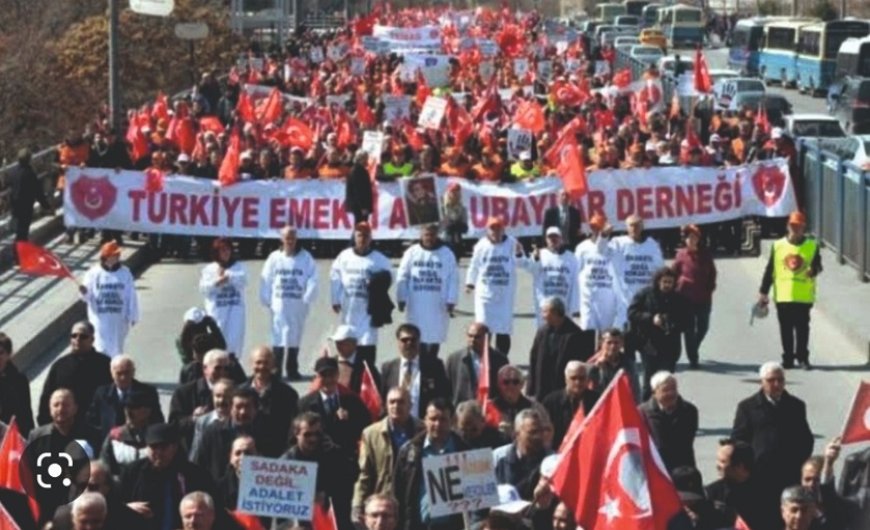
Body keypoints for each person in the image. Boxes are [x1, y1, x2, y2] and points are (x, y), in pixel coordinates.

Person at [732, 362, 814, 518]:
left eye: (780, 380)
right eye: (771, 380)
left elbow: (806, 440)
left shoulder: (796, 406)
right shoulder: (747, 407)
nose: (776, 384)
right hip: (759, 477)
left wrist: (798, 462)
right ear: (762, 382)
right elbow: (738, 441)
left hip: (789, 475)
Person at [119, 423, 217, 530]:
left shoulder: (194, 474)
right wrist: (127, 508)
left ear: (174, 447)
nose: (159, 452)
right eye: (154, 447)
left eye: (163, 447)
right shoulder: (133, 472)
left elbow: (212, 507)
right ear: (146, 448)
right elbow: (115, 504)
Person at [27, 389, 102, 524]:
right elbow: (29, 473)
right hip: (46, 507)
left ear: (75, 408)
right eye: (56, 405)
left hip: (82, 507)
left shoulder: (93, 435)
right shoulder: (36, 436)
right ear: (50, 409)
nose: (61, 409)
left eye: (66, 405)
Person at [758, 211, 822, 369]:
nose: (796, 229)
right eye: (793, 226)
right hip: (783, 295)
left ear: (803, 227)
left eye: (799, 226)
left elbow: (818, 266)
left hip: (803, 295)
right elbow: (770, 269)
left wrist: (812, 271)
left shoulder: (811, 246)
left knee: (802, 328)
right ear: (788, 226)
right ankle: (788, 358)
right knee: (785, 328)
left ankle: (802, 358)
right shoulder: (778, 246)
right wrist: (763, 291)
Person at [393, 399, 469, 530]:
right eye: (433, 419)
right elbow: (397, 492)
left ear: (453, 421)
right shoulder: (409, 451)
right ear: (425, 420)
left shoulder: (465, 451)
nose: (438, 424)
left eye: (443, 419)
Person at [352, 387, 424, 523]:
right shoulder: (371, 434)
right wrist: (357, 504)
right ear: (386, 405)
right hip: (385, 504)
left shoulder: (423, 431)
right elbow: (365, 474)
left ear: (410, 405)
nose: (396, 406)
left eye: (401, 402)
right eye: (392, 402)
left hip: (414, 503)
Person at [259, 225, 317, 380]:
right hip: (279, 303)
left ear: (296, 238)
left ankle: (292, 368)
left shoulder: (305, 258)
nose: (290, 240)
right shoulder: (274, 258)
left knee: (294, 336)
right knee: (278, 335)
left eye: (292, 237)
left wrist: (308, 294)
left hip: (297, 303)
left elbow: (313, 278)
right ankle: (276, 369)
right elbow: (266, 278)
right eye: (287, 237)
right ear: (281, 239)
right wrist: (266, 297)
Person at [330, 222, 392, 367]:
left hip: (369, 310)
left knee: (367, 345)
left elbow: (390, 277)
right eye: (359, 235)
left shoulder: (379, 259)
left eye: (366, 236)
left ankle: (367, 380)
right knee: (348, 345)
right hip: (349, 308)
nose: (362, 239)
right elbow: (335, 275)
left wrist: (378, 283)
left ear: (370, 238)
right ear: (354, 236)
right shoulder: (344, 256)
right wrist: (335, 298)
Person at [283, 412, 358, 530]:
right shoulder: (286, 462)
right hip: (300, 522)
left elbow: (351, 477)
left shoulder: (332, 453)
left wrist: (337, 453)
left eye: (317, 434)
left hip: (333, 518)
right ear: (296, 434)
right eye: (307, 435)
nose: (313, 439)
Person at [397, 224, 459, 357]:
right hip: (416, 302)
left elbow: (453, 278)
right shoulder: (412, 252)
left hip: (438, 303)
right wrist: (401, 297)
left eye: (432, 235)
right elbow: (403, 275)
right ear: (421, 235)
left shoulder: (446, 253)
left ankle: (432, 362)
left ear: (437, 235)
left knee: (435, 335)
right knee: (416, 335)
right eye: (426, 235)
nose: (429, 238)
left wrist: (451, 299)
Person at [465, 216, 525, 354]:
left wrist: (519, 254)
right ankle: (484, 357)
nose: (495, 232)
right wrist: (470, 283)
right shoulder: (481, 245)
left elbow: (522, 263)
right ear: (487, 230)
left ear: (503, 229)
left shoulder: (512, 243)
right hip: (485, 295)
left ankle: (501, 358)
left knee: (503, 330)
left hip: (504, 295)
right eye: (492, 228)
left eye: (498, 228)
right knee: (484, 327)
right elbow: (474, 265)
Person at [628, 267, 690, 399]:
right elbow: (632, 313)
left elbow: (687, 321)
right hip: (649, 344)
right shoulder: (645, 294)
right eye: (664, 282)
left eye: (670, 282)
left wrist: (673, 324)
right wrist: (651, 318)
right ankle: (644, 410)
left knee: (665, 380)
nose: (667, 285)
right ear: (658, 281)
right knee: (649, 381)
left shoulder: (679, 299)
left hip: (670, 345)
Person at [194, 387, 280, 481]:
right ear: (230, 408)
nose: (243, 412)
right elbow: (199, 465)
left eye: (248, 407)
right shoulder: (213, 433)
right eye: (238, 407)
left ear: (256, 408)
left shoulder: (268, 433)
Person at [37, 321, 112, 425]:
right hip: (64, 427)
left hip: (95, 428)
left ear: (92, 339)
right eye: (74, 336)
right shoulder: (60, 366)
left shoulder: (105, 364)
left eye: (83, 336)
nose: (77, 339)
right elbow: (46, 398)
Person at [297, 357, 371, 459]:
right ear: (317, 377)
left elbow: (366, 430)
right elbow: (294, 436)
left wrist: (350, 420)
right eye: (323, 375)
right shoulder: (304, 404)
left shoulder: (352, 401)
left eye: (331, 375)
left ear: (338, 375)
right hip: (315, 462)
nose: (328, 379)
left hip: (344, 461)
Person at [79, 241, 139, 358]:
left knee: (117, 349)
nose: (117, 257)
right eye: (114, 255)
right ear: (106, 257)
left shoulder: (125, 272)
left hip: (119, 319)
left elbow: (131, 295)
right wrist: (84, 292)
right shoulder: (93, 273)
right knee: (100, 348)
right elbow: (87, 296)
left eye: (117, 255)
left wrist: (132, 315)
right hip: (100, 319)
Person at [379, 323, 451, 419]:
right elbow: (382, 398)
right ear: (398, 342)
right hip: (395, 423)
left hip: (423, 424)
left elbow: (443, 396)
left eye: (413, 340)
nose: (409, 343)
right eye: (404, 340)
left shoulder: (434, 366)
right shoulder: (388, 368)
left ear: (419, 341)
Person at [52, 461, 148, 530]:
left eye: (92, 487)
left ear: (107, 488)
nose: (85, 492)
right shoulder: (63, 518)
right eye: (81, 486)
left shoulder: (128, 519)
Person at [705, 438, 776, 530]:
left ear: (740, 467)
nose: (717, 465)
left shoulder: (765, 494)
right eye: (718, 460)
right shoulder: (711, 493)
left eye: (722, 461)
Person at [672, 224, 717, 369]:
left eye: (694, 237)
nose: (691, 240)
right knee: (689, 329)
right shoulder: (681, 255)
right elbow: (673, 273)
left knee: (703, 327)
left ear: (698, 239)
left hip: (703, 297)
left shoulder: (706, 255)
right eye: (688, 238)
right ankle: (693, 358)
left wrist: (710, 286)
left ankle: (693, 346)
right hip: (685, 298)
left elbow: (712, 272)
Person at [87, 355, 162, 441]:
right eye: (119, 373)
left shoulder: (148, 392)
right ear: (112, 374)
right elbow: (92, 420)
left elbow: (157, 420)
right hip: (110, 442)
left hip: (139, 441)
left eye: (127, 373)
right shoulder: (102, 393)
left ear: (133, 372)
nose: (123, 377)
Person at [527, 297, 588, 402]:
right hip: (542, 390)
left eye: (545, 312)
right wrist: (530, 390)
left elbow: (581, 364)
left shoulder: (575, 335)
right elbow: (534, 360)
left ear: (555, 312)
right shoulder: (542, 332)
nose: (543, 316)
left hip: (562, 392)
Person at [575, 214, 624, 340]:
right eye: (593, 226)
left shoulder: (613, 246)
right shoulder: (582, 247)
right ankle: (589, 359)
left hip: (607, 295)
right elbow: (576, 271)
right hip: (588, 295)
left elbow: (602, 250)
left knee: (606, 333)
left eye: (599, 226)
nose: (596, 230)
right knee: (587, 331)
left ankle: (604, 358)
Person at [638, 371, 698, 472]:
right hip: (654, 470)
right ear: (654, 392)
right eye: (665, 390)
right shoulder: (642, 413)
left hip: (683, 469)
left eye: (674, 389)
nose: (671, 393)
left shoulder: (689, 411)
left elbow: (687, 441)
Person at [239, 346, 298, 446]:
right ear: (251, 363)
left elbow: (294, 426)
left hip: (276, 451)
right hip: (247, 449)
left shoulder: (288, 394)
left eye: (266, 363)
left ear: (273, 365)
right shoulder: (239, 392)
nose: (262, 367)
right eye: (258, 362)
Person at [200, 238, 247, 361]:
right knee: (217, 339)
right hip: (217, 311)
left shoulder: (238, 267)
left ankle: (233, 367)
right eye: (222, 250)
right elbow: (204, 288)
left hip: (235, 309)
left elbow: (244, 280)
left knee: (234, 338)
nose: (226, 253)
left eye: (228, 250)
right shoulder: (209, 269)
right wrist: (217, 282)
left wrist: (229, 277)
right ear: (217, 253)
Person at [521, 227, 578, 328]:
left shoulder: (571, 257)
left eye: (556, 237)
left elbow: (575, 282)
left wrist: (573, 306)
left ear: (561, 239)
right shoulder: (540, 254)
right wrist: (536, 258)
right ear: (546, 239)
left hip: (564, 303)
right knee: (544, 333)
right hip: (544, 303)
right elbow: (531, 269)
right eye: (550, 237)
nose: (553, 240)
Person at [170, 349, 231, 440]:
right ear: (205, 369)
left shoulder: (235, 391)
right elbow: (173, 427)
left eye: (226, 369)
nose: (222, 373)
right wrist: (193, 419)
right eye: (217, 368)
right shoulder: (184, 393)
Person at [494, 409, 553, 500]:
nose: (539, 436)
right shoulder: (497, 458)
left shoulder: (552, 461)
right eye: (533, 432)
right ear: (516, 434)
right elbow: (479, 503)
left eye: (541, 431)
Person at [445, 322, 508, 404]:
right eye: (470, 336)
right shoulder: (454, 359)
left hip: (491, 409)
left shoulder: (500, 360)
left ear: (488, 338)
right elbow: (446, 388)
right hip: (463, 410)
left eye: (477, 337)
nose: (473, 340)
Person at [541, 361, 600, 449]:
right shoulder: (551, 402)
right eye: (573, 378)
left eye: (581, 378)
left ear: (587, 379)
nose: (578, 382)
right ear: (566, 379)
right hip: (558, 451)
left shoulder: (597, 400)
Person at [100, 389, 159, 477]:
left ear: (147, 410)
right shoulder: (115, 436)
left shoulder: (158, 436)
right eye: (126, 407)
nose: (128, 412)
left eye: (134, 407)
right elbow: (105, 466)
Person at [9, 147, 51, 245]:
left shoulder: (13, 172)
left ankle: (18, 248)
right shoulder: (30, 174)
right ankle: (19, 251)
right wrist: (46, 206)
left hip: (15, 203)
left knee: (19, 228)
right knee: (23, 231)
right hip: (26, 205)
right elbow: (38, 191)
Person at [586, 328, 640, 400]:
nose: (613, 346)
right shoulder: (592, 362)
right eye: (609, 343)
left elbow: (635, 390)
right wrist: (595, 368)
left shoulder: (628, 363)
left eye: (616, 343)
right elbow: (585, 386)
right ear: (601, 343)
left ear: (622, 344)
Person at [329, 325, 382, 394]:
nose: (338, 346)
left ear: (354, 343)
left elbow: (374, 391)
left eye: (343, 343)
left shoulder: (366, 366)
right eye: (337, 343)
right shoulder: (330, 363)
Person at [0, 332, 34, 436]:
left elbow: (26, 415)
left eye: (0, 352)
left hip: (12, 439)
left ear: (9, 354)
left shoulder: (19, 380)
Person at [216, 435, 256, 510]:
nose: (243, 457)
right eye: (238, 453)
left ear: (257, 456)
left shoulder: (271, 486)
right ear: (231, 458)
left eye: (248, 453)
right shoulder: (219, 488)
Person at [439, 182, 468, 260]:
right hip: (442, 239)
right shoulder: (441, 206)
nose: (455, 194)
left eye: (457, 191)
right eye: (453, 191)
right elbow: (440, 224)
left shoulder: (462, 208)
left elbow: (465, 227)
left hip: (456, 239)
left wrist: (457, 225)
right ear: (448, 192)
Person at [346, 150, 374, 225]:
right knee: (360, 226)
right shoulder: (357, 171)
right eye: (366, 158)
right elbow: (358, 191)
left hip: (359, 206)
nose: (367, 160)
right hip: (359, 206)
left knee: (361, 225)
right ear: (361, 158)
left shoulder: (359, 169)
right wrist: (363, 207)